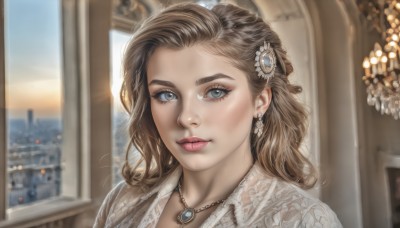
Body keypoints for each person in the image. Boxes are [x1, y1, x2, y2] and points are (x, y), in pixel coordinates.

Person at [94, 2, 342, 228]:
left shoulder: (305, 220)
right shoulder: (121, 202)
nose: (186, 117)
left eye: (215, 91)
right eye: (165, 95)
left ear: (261, 101)